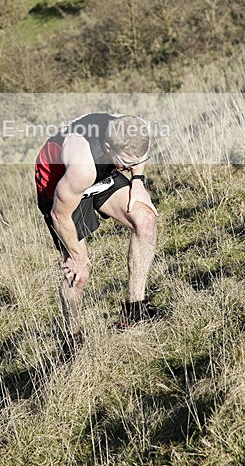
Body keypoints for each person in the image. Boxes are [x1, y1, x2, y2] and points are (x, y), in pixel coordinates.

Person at [35, 113, 157, 347]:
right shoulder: (82, 164)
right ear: (109, 148)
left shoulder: (131, 131)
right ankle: (73, 339)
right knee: (78, 272)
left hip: (101, 170)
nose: (130, 168)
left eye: (135, 162)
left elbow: (136, 155)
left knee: (146, 220)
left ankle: (135, 311)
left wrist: (138, 181)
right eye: (127, 163)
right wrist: (79, 257)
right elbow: (59, 215)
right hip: (60, 184)